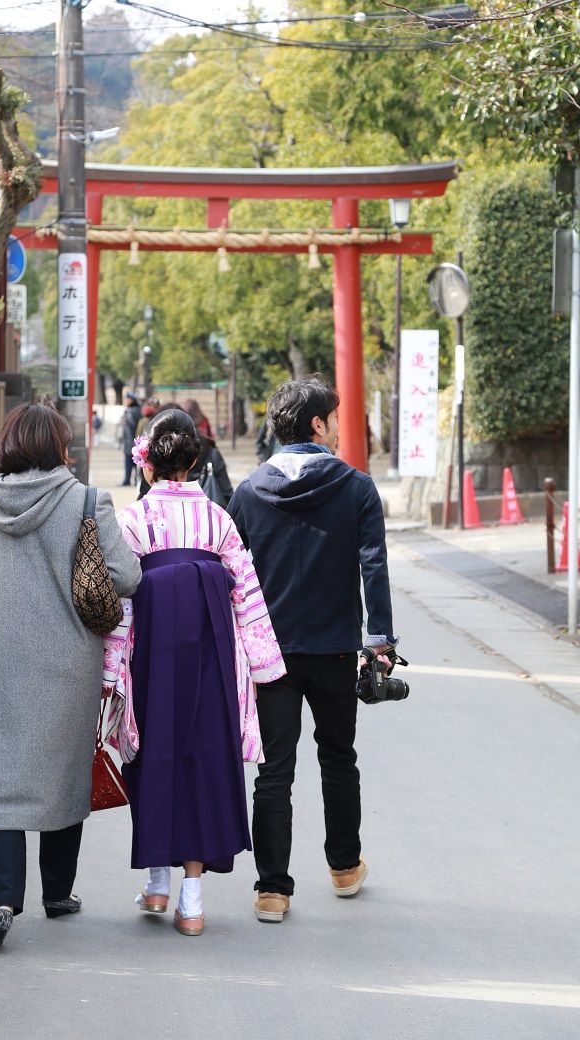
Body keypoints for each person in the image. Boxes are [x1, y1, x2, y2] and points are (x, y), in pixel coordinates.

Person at [0, 402, 141, 949]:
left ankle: (2, 902)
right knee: (61, 772)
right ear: (57, 447)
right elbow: (127, 576)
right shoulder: (86, 501)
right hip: (67, 666)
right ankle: (57, 892)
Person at [102, 408, 285, 936]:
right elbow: (247, 594)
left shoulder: (133, 520)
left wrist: (110, 670)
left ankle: (158, 882)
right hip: (211, 657)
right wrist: (263, 667)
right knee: (203, 761)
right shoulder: (218, 520)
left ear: (149, 465)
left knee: (151, 756)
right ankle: (191, 899)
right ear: (194, 466)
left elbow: (120, 604)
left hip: (152, 657)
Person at [227, 375, 397, 923]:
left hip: (269, 653)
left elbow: (231, 574)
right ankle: (344, 868)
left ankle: (272, 891)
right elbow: (373, 565)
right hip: (335, 648)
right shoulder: (356, 487)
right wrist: (380, 641)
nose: (339, 428)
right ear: (318, 425)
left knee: (274, 770)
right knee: (338, 757)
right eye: (335, 418)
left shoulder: (249, 492)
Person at [120, 391, 142, 486]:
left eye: (127, 399)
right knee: (136, 462)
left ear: (132, 400)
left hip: (131, 441)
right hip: (134, 441)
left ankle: (127, 480)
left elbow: (131, 426)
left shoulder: (131, 411)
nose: (126, 400)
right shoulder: (138, 409)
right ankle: (135, 480)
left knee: (130, 462)